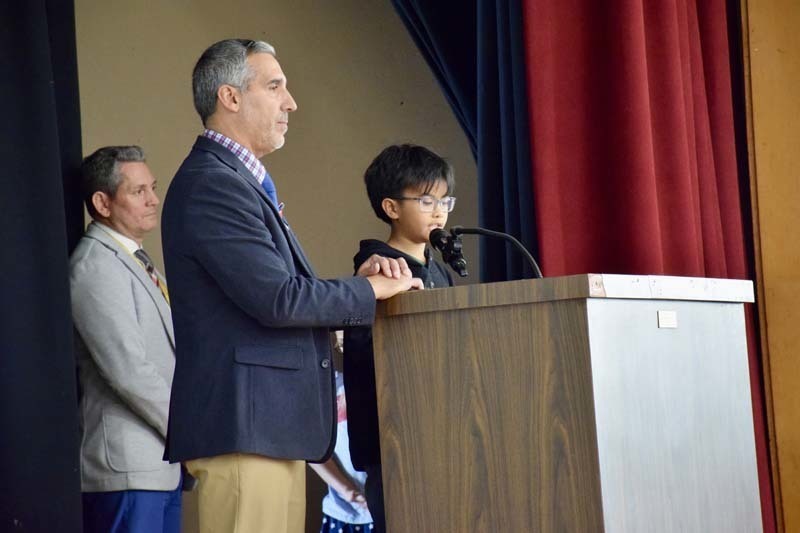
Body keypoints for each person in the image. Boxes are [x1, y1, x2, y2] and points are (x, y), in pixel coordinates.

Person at [160, 39, 421, 533]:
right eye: (275, 86)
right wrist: (370, 293)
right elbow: (278, 299)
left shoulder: (236, 179)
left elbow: (276, 290)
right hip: (244, 429)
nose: (290, 102)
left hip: (269, 429)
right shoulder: (214, 183)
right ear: (230, 97)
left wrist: (357, 285)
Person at [344, 144, 456, 532]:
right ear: (391, 207)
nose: (439, 210)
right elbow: (363, 349)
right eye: (426, 200)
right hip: (396, 436)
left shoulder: (439, 270)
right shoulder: (378, 266)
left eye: (445, 200)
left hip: (443, 427)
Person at [70, 146, 181, 533]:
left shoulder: (134, 259)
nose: (153, 199)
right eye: (138, 191)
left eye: (153, 187)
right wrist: (191, 434)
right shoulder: (94, 266)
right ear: (102, 202)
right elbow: (129, 372)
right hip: (127, 471)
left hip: (159, 468)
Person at [309, 332, 374, 533]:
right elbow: (313, 451)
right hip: (343, 511)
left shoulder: (386, 384)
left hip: (387, 507)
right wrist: (348, 491)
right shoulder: (328, 388)